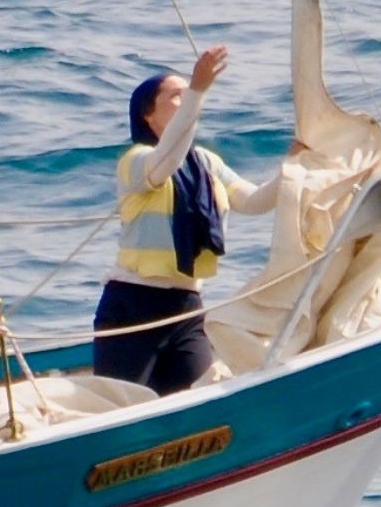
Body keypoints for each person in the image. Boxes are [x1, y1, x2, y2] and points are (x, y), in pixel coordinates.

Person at [93, 45, 278, 395]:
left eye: (186, 94)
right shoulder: (136, 161)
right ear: (148, 114)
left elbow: (254, 201)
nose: (186, 98)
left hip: (186, 307)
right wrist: (198, 91)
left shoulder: (206, 162)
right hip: (134, 303)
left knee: (197, 399)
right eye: (176, 95)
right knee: (121, 404)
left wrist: (297, 166)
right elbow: (168, 159)